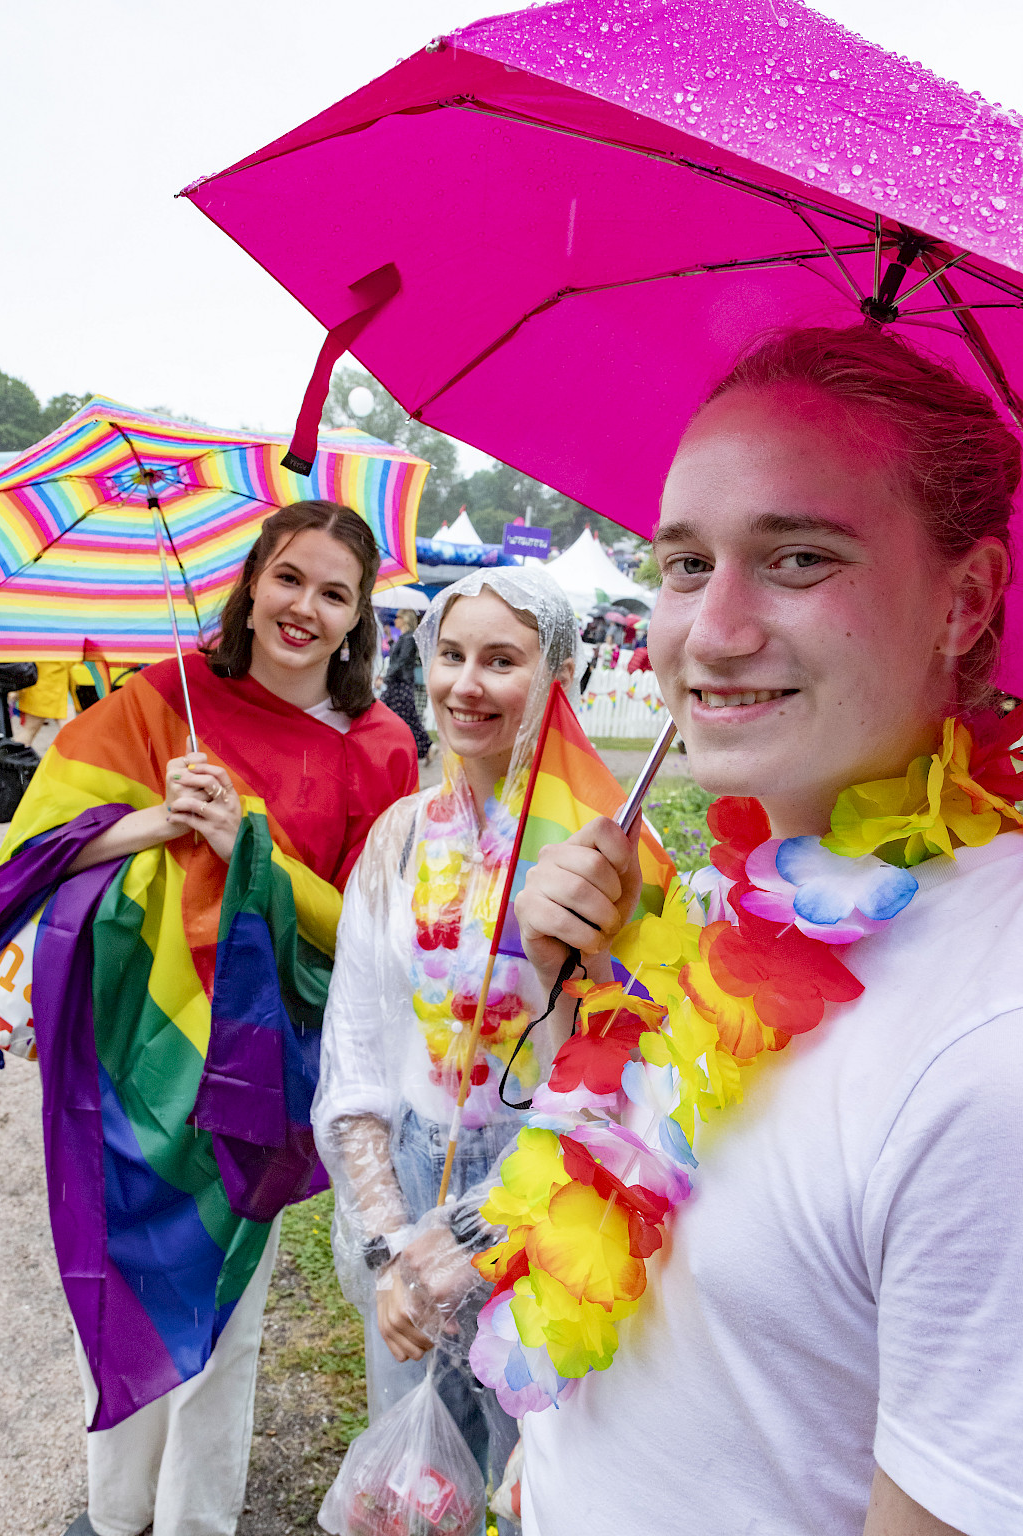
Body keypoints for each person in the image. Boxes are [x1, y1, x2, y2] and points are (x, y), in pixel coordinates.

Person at [512, 327, 1023, 1536]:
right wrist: (577, 1012)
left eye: (796, 557)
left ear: (965, 601)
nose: (712, 630)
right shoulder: (757, 897)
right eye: (683, 563)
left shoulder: (990, 1054)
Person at [0, 499, 417, 1536]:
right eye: (289, 579)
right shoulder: (158, 703)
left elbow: (369, 934)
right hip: (132, 1040)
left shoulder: (381, 748)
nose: (304, 609)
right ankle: (111, 1514)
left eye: (334, 593)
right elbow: (36, 848)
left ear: (362, 616)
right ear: (251, 581)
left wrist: (251, 847)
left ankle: (194, 1524)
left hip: (262, 1060)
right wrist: (159, 816)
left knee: (223, 1311)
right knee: (121, 1275)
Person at [312, 567, 583, 1526]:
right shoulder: (396, 840)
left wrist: (485, 1234)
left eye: (502, 661)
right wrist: (393, 1247)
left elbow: (612, 1086)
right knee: (421, 1476)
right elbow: (353, 1061)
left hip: (553, 1194)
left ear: (557, 677)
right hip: (415, 1167)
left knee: (535, 1467)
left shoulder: (591, 854)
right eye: (453, 655)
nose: (467, 683)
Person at [381, 605, 434, 761]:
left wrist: (387, 676)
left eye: (397, 617)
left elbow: (402, 661)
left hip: (401, 684)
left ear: (404, 619)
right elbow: (396, 657)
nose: (395, 620)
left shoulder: (410, 638)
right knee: (403, 716)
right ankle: (425, 746)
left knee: (406, 717)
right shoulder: (404, 638)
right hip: (397, 683)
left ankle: (425, 746)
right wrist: (390, 639)